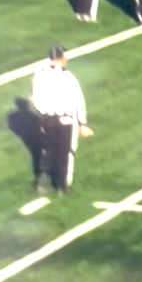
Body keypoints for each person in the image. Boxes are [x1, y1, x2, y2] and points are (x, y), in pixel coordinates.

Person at [31, 45, 92, 195]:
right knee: (67, 152)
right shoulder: (68, 77)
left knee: (49, 149)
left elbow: (36, 98)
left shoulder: (40, 75)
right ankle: (62, 186)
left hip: (48, 119)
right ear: (61, 58)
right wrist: (82, 123)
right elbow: (78, 100)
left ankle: (43, 181)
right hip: (66, 120)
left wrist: (44, 113)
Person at [7, 97, 43, 192]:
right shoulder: (31, 115)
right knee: (40, 156)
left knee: (36, 157)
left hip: (27, 139)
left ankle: (39, 177)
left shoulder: (13, 116)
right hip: (38, 138)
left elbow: (12, 127)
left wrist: (21, 135)